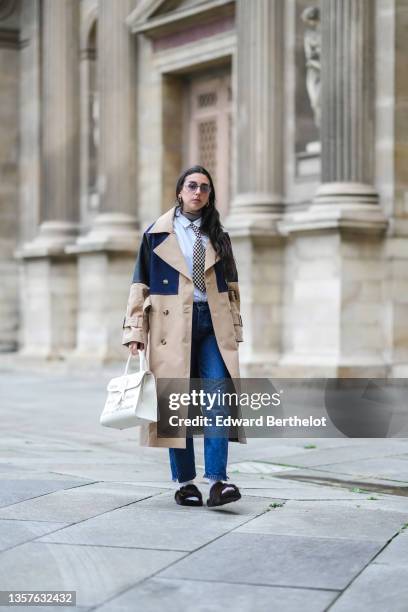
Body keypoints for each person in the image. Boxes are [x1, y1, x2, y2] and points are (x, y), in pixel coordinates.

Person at [122, 165, 246, 508]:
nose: (198, 192)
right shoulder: (156, 234)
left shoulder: (218, 235)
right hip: (171, 326)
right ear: (180, 191)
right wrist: (135, 332)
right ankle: (185, 483)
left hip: (213, 324)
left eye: (205, 188)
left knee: (218, 398)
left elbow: (232, 288)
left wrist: (236, 328)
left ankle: (219, 482)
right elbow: (139, 285)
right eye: (192, 186)